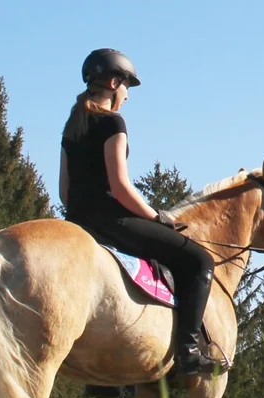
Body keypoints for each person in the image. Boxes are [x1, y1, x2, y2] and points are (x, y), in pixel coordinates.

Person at [59, 48, 222, 376]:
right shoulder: (113, 123)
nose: (127, 97)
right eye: (127, 88)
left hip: (78, 223)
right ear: (115, 82)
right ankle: (189, 352)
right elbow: (120, 187)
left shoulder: (72, 125)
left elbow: (64, 192)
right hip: (112, 221)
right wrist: (156, 217)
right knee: (200, 261)